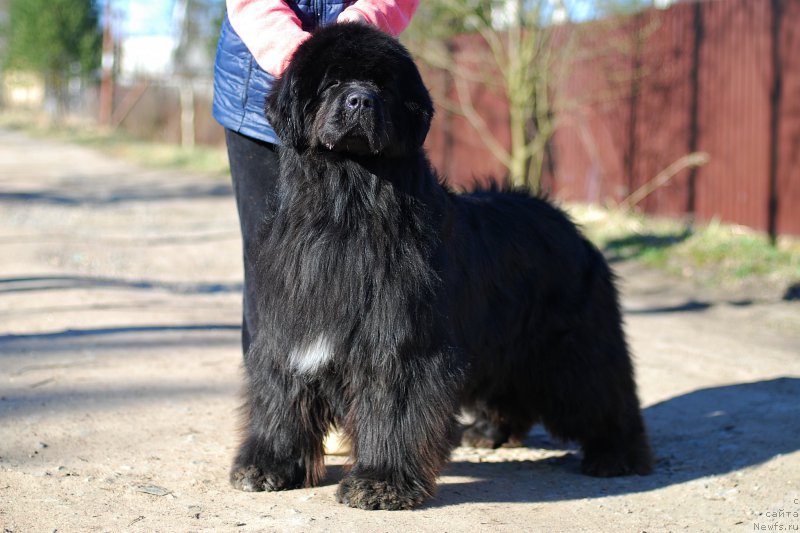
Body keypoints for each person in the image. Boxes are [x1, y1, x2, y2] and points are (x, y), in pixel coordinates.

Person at [212, 0, 420, 355]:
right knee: (271, 261)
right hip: (264, 82)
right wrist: (303, 57)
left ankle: (357, 393)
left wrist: (359, 26)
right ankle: (277, 400)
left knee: (373, 260)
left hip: (364, 66)